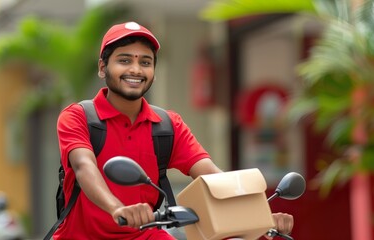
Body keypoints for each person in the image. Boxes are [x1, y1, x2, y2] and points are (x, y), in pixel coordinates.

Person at [54, 21, 294, 239]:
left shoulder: (167, 124)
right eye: (125, 60)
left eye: (145, 62)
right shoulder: (78, 116)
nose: (136, 70)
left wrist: (260, 216)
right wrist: (117, 207)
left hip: (145, 235)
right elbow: (84, 167)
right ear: (102, 67)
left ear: (154, 74)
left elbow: (211, 175)